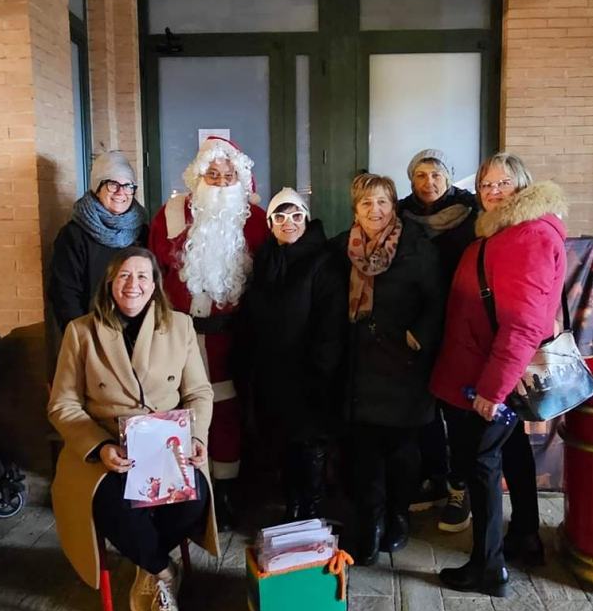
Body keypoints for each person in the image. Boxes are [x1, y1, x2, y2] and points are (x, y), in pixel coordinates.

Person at [48, 247, 217, 611]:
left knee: (195, 499)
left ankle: (147, 565)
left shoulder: (179, 326)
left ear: (155, 285)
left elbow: (199, 393)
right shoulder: (81, 331)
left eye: (143, 276)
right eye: (124, 276)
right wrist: (100, 447)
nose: (133, 285)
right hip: (106, 451)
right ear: (109, 283)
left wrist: (194, 437)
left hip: (169, 448)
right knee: (112, 505)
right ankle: (162, 574)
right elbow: (62, 403)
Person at [431, 152, 567, 596]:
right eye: (486, 184)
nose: (492, 191)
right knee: (511, 455)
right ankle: (524, 535)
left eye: (502, 183)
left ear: (522, 187)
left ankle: (487, 568)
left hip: (488, 379)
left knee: (482, 465)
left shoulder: (526, 237)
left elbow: (524, 322)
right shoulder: (506, 234)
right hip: (491, 372)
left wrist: (492, 388)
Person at [149, 136, 268, 530]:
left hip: (230, 338)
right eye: (211, 174)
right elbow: (152, 273)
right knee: (177, 408)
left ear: (240, 179)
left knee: (227, 411)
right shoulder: (169, 215)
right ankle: (185, 490)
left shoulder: (256, 221)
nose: (219, 182)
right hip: (177, 336)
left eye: (227, 175)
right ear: (197, 177)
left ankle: (227, 489)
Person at [332, 173, 444, 565]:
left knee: (401, 451)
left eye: (382, 202)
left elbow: (437, 298)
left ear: (393, 205)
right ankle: (371, 521)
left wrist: (419, 335)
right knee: (364, 451)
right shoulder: (343, 248)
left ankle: (398, 517)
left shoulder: (416, 245)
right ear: (355, 210)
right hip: (360, 365)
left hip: (403, 364)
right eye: (366, 204)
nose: (375, 210)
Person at [241, 188, 347, 522]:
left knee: (309, 442)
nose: (290, 223)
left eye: (296, 216)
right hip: (273, 373)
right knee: (282, 441)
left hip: (309, 373)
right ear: (270, 223)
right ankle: (291, 505)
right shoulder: (265, 259)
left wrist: (320, 371)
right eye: (281, 217)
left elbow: (330, 324)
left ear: (306, 218)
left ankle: (310, 509)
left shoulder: (323, 261)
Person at [398, 149, 478, 533]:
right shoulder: (399, 216)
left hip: (461, 325)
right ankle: (434, 476)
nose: (428, 182)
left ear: (448, 178)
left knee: (458, 411)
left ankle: (460, 487)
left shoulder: (473, 215)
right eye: (420, 175)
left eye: (436, 175)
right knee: (424, 406)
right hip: (418, 327)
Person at [48, 151, 148, 333]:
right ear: (97, 188)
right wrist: (81, 336)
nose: (121, 192)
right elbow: (65, 294)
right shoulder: (74, 235)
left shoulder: (142, 231)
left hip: (139, 330)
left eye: (128, 185)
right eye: (112, 184)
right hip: (94, 330)